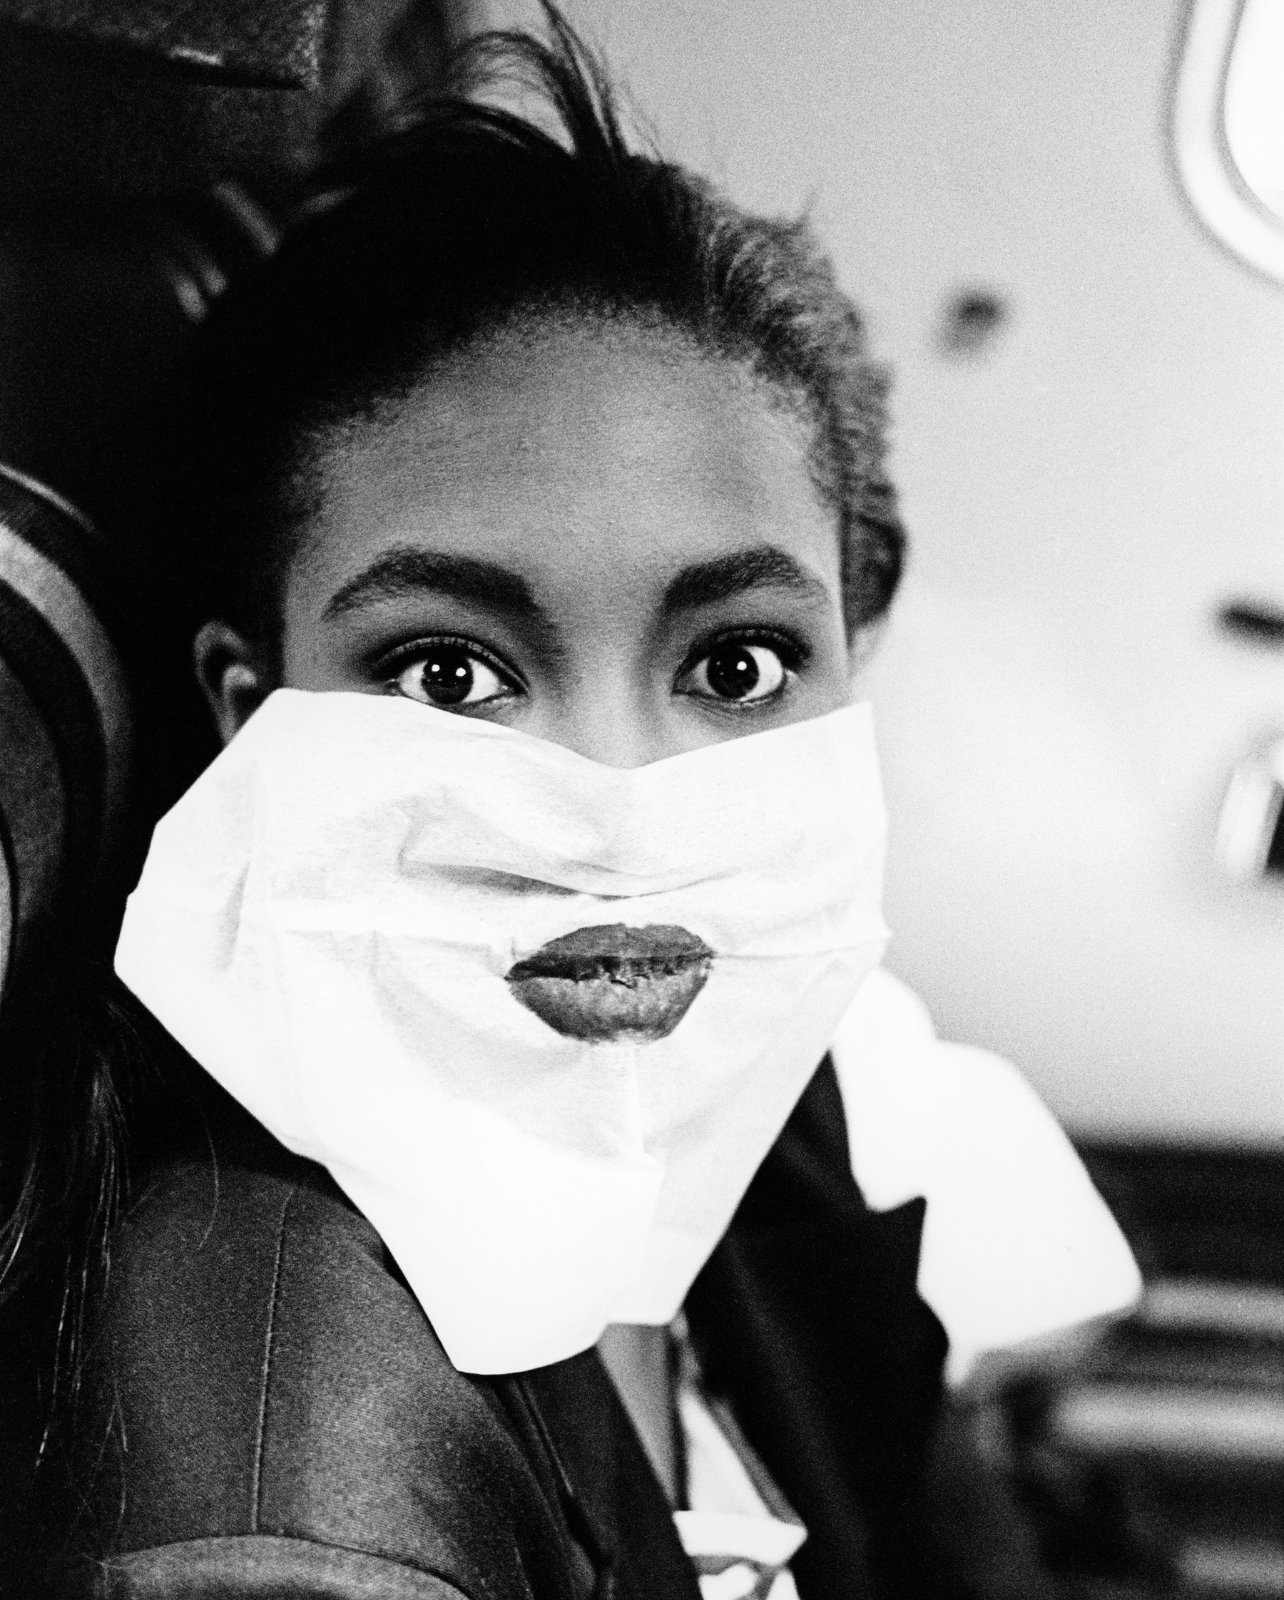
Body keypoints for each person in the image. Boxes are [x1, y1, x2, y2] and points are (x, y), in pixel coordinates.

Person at [31, 12, 1139, 1598]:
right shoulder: (280, 1487)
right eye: (452, 673)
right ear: (252, 710)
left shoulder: (751, 1073)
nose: (625, 814)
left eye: (740, 664)